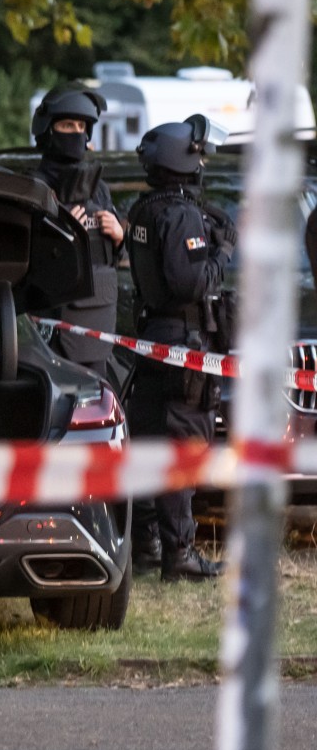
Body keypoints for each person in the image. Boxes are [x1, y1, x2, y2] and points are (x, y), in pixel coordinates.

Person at [125, 114, 235, 582]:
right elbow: (190, 282)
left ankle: (148, 546)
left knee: (150, 440)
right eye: (198, 152)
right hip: (182, 341)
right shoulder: (180, 214)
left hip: (154, 337)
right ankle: (180, 554)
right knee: (183, 442)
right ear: (181, 157)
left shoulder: (144, 209)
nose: (204, 159)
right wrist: (222, 254)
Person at [30, 83, 125, 380]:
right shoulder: (35, 186)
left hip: (97, 327)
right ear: (48, 128)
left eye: (81, 125)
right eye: (67, 124)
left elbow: (110, 257)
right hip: (52, 326)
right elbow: (25, 254)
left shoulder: (98, 188)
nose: (75, 132)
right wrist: (60, 228)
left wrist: (118, 234)